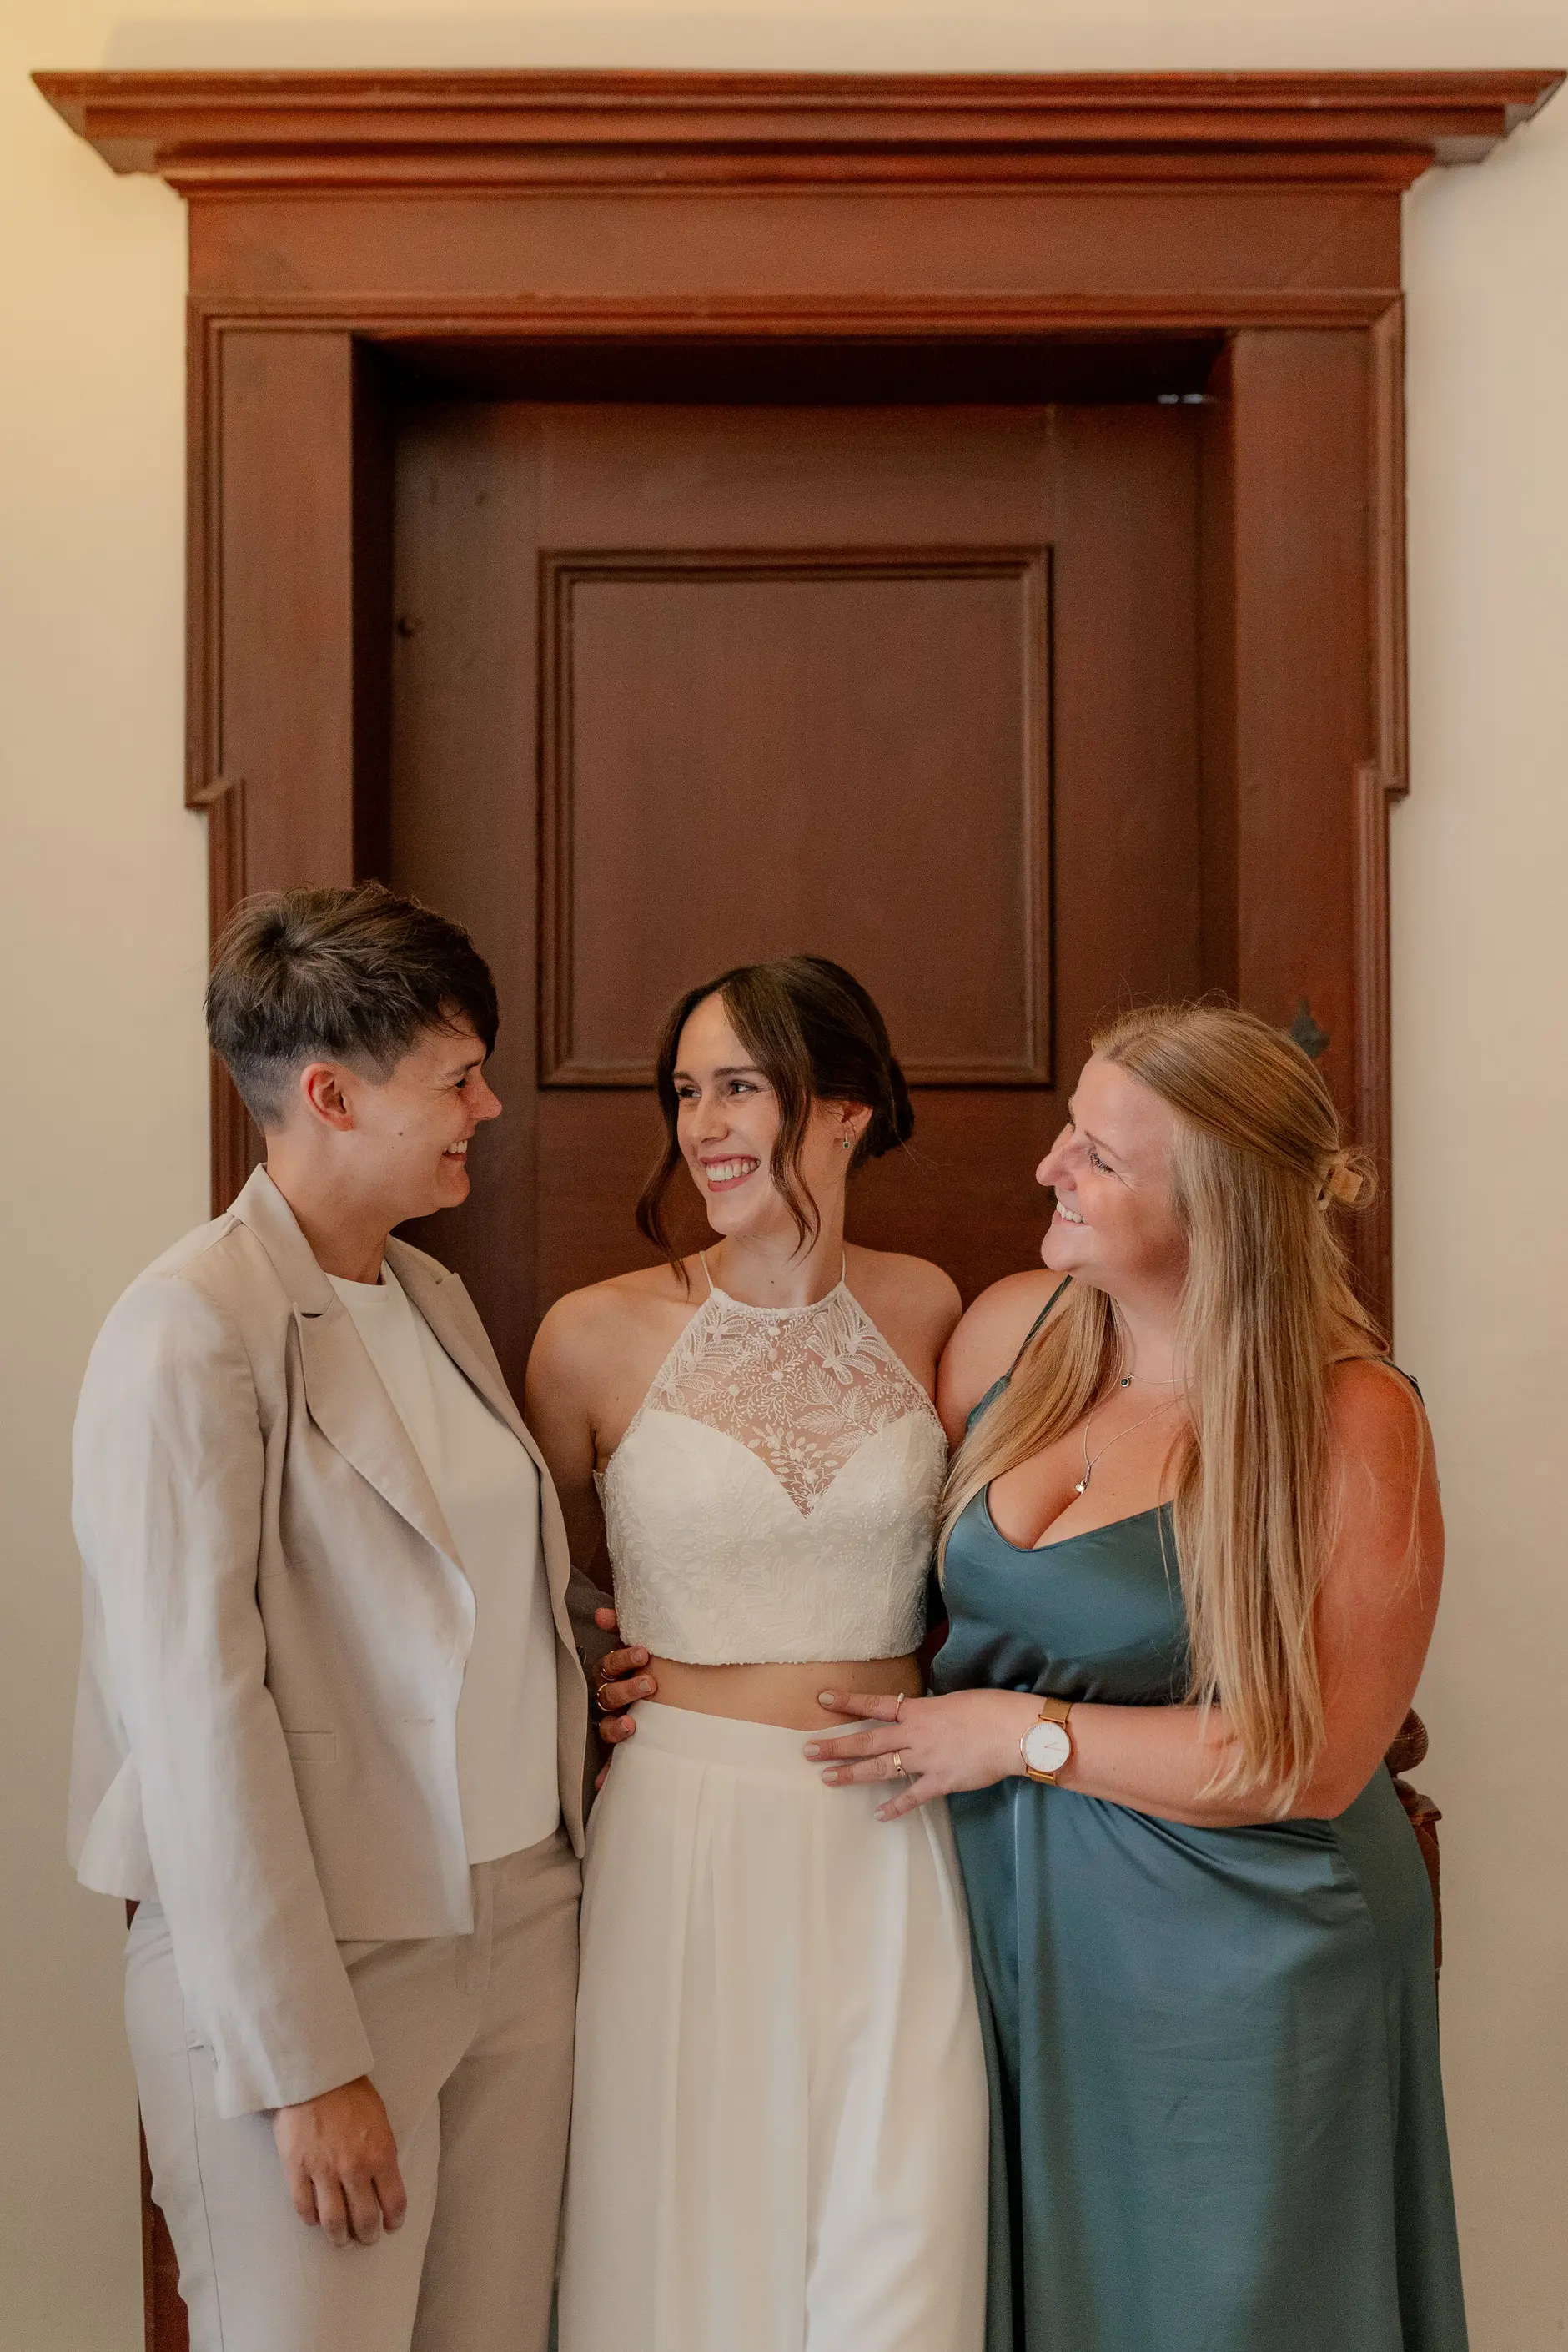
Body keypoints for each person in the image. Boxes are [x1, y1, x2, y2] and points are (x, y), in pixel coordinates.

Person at [807, 1001, 1466, 2352]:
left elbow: (1312, 1759)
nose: (1051, 1168)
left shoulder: (1350, 1418)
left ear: (1216, 1206)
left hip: (1247, 1963)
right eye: (1069, 1133)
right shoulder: (1016, 1337)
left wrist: (1017, 1733)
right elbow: (839, 1552)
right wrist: (633, 1658)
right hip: (1014, 1936)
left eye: (1099, 1158)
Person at [67, 882, 642, 2352]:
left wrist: (589, 1647)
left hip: (524, 1927)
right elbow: (197, 1717)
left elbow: (435, 1589)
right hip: (320, 1964)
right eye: (458, 1077)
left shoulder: (432, 1295)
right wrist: (299, 2060)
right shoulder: (187, 1328)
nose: (491, 1107)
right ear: (327, 1092)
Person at [530, 956, 989, 2352]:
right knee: (680, 2237)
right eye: (687, 1092)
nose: (704, 1124)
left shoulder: (934, 1314)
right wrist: (589, 1664)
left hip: (892, 1830)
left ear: (846, 1109)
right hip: (682, 1825)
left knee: (898, 2237)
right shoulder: (590, 1339)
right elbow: (534, 1592)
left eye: (741, 1086)